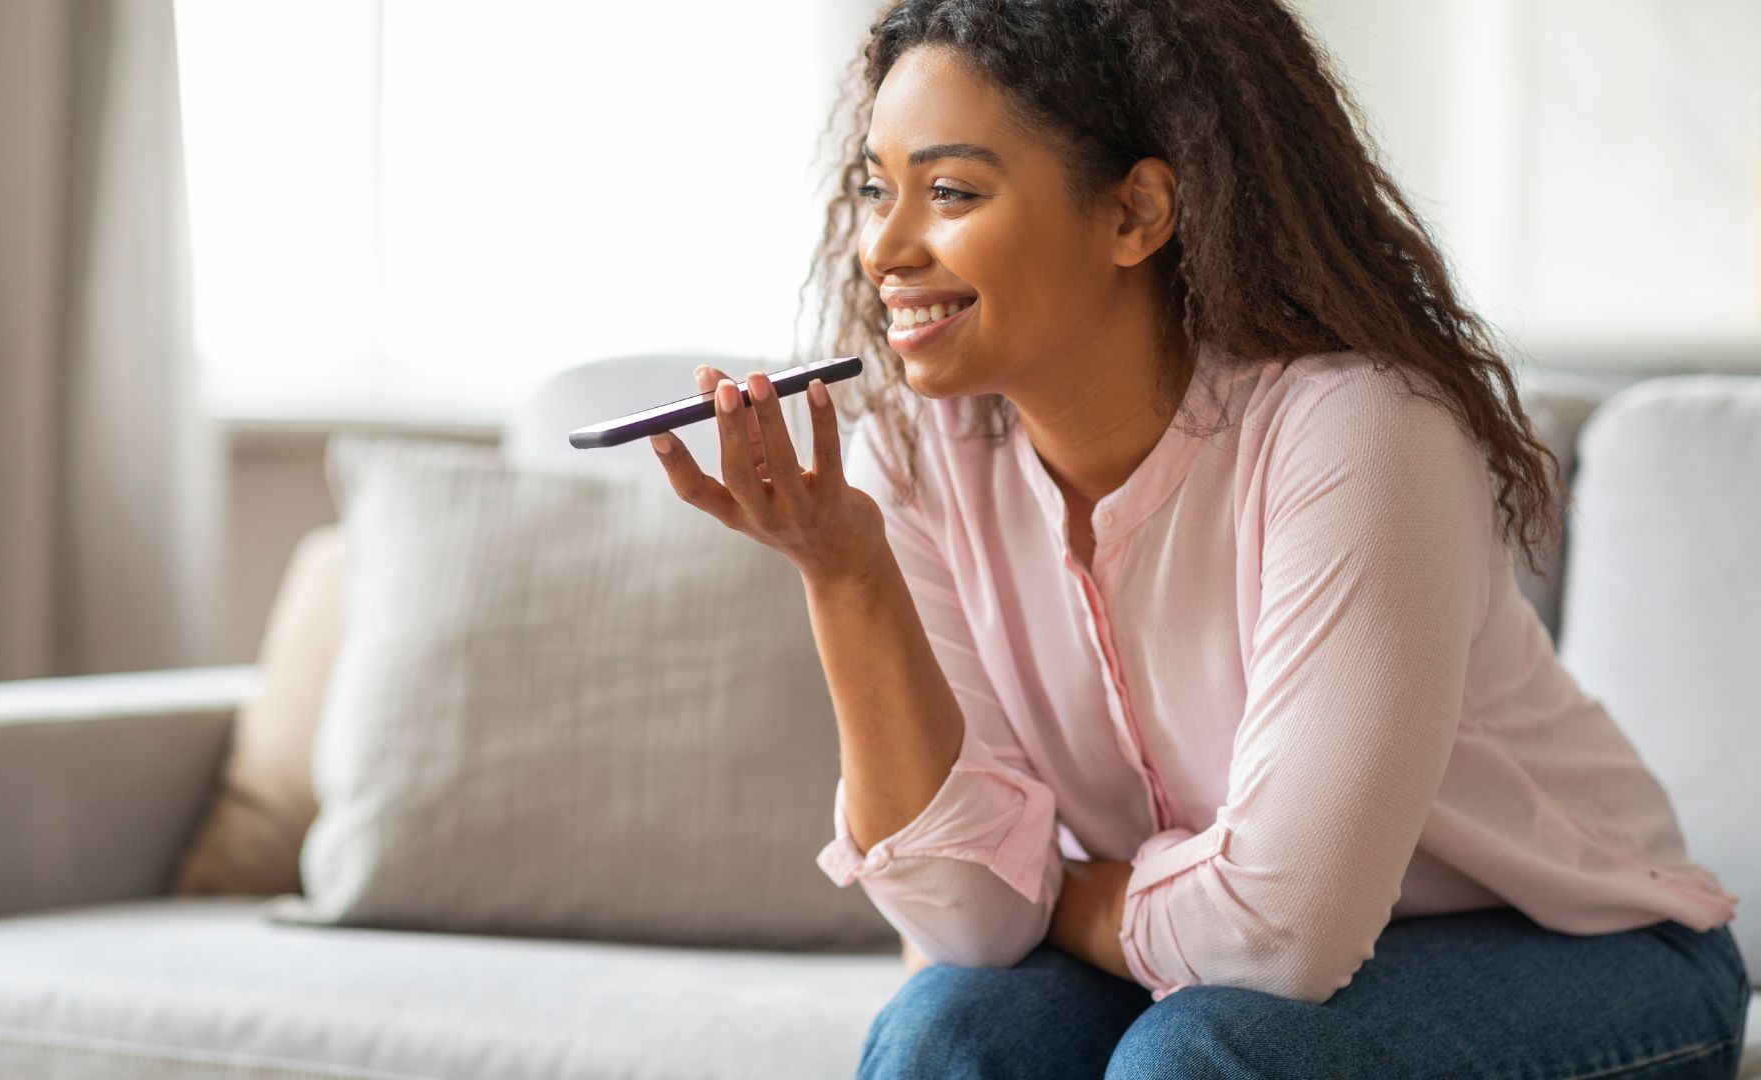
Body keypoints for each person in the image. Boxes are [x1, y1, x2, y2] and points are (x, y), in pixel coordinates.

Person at [647, 0, 1750, 1075]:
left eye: (948, 190)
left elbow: (1281, 937)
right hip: (1198, 956)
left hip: (1580, 951)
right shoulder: (912, 454)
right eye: (874, 187)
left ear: (1135, 215)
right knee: (952, 1029)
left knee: (1202, 1053)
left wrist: (1063, 888)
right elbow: (972, 924)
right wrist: (845, 569)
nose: (883, 246)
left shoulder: (1362, 429)